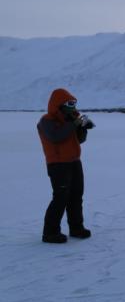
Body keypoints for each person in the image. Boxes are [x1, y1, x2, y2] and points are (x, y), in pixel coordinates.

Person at [37, 88, 95, 243]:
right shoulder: (46, 121)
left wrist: (82, 127)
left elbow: (78, 140)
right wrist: (73, 123)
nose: (73, 106)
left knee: (76, 196)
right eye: (70, 103)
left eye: (74, 103)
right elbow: (56, 137)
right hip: (58, 165)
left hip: (74, 161)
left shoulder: (70, 119)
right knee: (60, 198)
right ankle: (50, 233)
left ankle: (76, 228)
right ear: (59, 104)